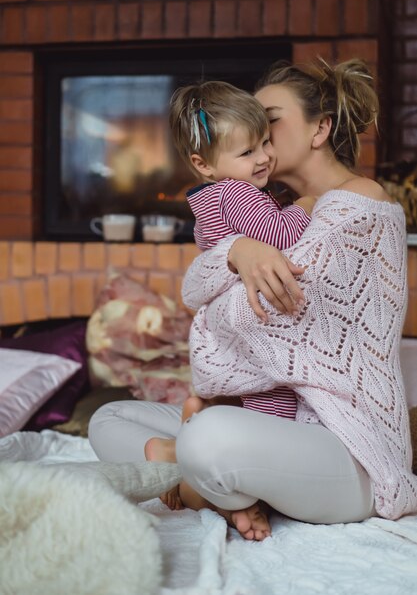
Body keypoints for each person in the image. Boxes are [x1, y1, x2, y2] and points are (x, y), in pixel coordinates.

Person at [88, 58, 417, 542]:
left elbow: (236, 319)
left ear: (320, 128)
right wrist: (237, 252)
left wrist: (229, 271)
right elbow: (194, 287)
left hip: (347, 447)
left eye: (270, 119)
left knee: (207, 434)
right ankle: (208, 481)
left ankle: (197, 479)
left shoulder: (357, 206)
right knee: (109, 418)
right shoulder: (267, 209)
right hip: (273, 422)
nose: (257, 132)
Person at [170, 80, 316, 419]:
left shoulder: (206, 203)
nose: (264, 157)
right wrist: (306, 205)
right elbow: (278, 234)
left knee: (245, 396)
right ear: (203, 164)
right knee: (272, 403)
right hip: (256, 318)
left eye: (265, 142)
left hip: (228, 327)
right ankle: (247, 455)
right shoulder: (237, 192)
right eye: (247, 152)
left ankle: (200, 428)